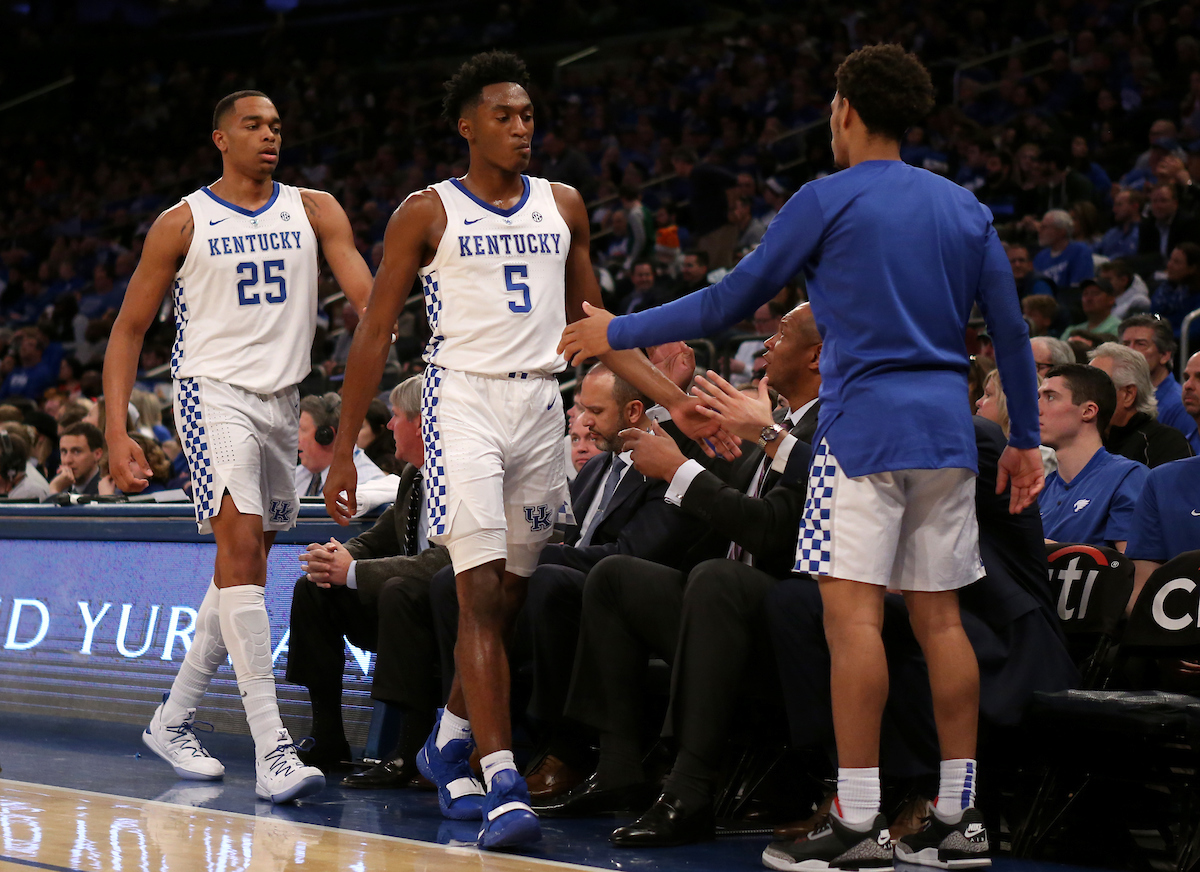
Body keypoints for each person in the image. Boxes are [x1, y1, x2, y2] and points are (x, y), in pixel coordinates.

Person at [561, 44, 1044, 870]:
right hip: (946, 432)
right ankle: (959, 818)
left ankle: (856, 819)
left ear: (846, 110)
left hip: (863, 431)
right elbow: (1010, 331)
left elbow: (729, 299)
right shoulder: (965, 208)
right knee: (941, 621)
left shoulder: (827, 198)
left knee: (852, 620)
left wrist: (619, 329)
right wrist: (1026, 439)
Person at [323, 51, 715, 850]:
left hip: (540, 401)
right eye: (503, 116)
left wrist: (672, 401)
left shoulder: (563, 204)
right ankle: (501, 778)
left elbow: (598, 327)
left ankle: (446, 738)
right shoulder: (426, 211)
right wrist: (341, 446)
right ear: (467, 126)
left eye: (528, 114)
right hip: (462, 400)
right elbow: (375, 330)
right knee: (475, 591)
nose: (521, 127)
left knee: (507, 594)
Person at [102, 90, 373, 804]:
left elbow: (370, 303)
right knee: (244, 548)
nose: (268, 135)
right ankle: (272, 747)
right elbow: (128, 329)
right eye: (252, 125)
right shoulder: (182, 221)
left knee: (241, 567)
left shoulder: (315, 209)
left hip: (283, 401)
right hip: (211, 392)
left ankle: (173, 718)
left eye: (276, 125)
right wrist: (116, 430)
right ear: (220, 138)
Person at [286, 376, 452, 780]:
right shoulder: (413, 475)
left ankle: (410, 751)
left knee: (400, 590)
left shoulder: (459, 477)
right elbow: (380, 537)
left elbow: (446, 560)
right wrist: (337, 558)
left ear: (421, 422)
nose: (388, 426)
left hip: (451, 610)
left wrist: (355, 571)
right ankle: (328, 736)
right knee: (314, 588)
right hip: (409, 605)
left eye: (396, 417)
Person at [1037, 364, 1148, 550]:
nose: (1036, 407)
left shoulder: (1127, 477)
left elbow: (1133, 564)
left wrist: (1049, 550)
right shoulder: (1043, 488)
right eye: (1038, 397)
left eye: (1050, 397)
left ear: (1088, 411)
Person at [1088, 342, 1193, 467]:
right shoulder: (1089, 443)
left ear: (1128, 394)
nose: (1085, 396)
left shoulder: (1165, 445)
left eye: (1095, 387)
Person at [295, 392, 395, 515]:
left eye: (303, 430)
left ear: (325, 436)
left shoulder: (369, 485)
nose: (296, 437)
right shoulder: (299, 474)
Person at [1120, 315, 1200, 453]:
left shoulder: (1181, 404)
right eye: (1125, 344)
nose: (1129, 351)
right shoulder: (1125, 398)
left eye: (1140, 344)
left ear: (1164, 355)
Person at [1033, 209, 1094, 289]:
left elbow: (1078, 289)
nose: (1039, 231)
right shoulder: (1040, 257)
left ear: (1061, 231)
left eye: (1044, 227)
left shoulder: (1079, 251)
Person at [47, 421, 104, 497]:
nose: (68, 460)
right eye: (64, 452)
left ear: (97, 454)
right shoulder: (62, 486)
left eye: (76, 452)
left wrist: (54, 490)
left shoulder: (105, 490)